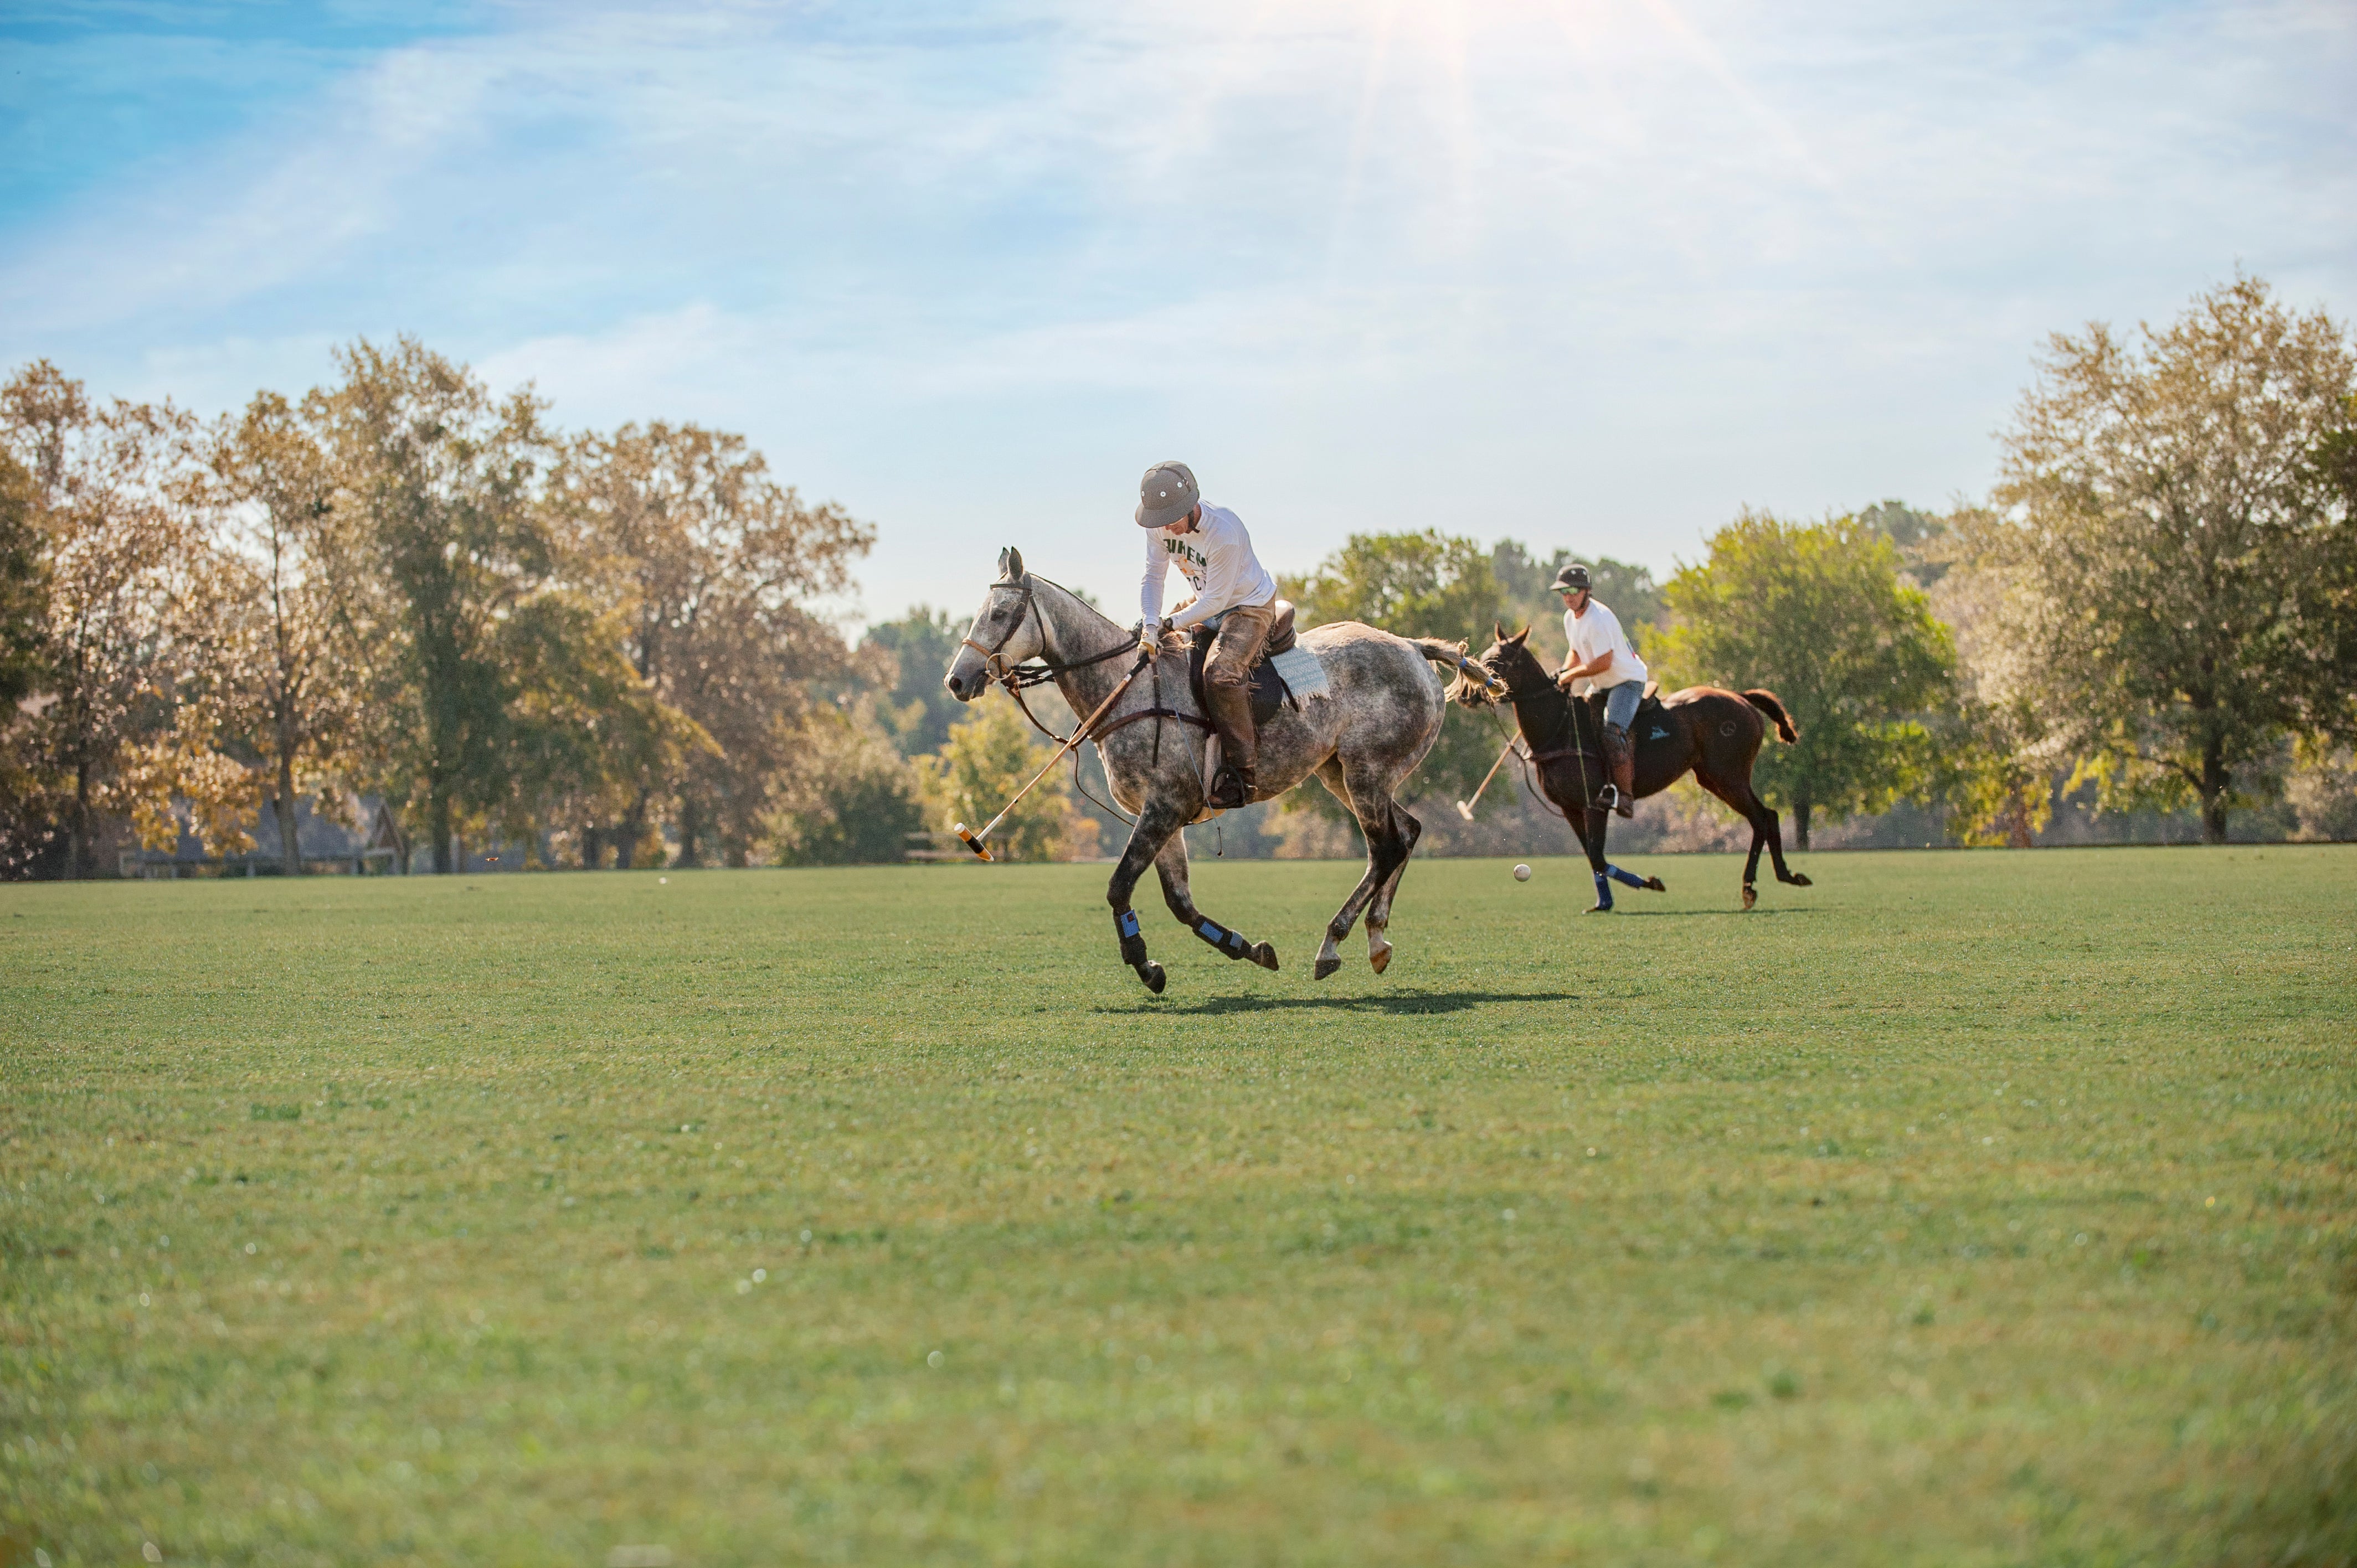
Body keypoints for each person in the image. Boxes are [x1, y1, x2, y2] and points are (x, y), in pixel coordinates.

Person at [1136, 460, 1279, 809]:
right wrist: (1150, 625)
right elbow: (1153, 577)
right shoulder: (1159, 526)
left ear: (1191, 505)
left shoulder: (1225, 531)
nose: (1168, 527)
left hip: (1248, 605)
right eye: (1161, 520)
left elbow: (1217, 601)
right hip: (1205, 601)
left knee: (1219, 677)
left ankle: (1243, 778)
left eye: (1174, 517)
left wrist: (1170, 624)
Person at [1552, 562, 1646, 817]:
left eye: (1573, 590)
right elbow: (1576, 652)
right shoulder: (1570, 618)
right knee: (1584, 729)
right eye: (1563, 592)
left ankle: (1626, 797)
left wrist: (1571, 675)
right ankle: (1601, 784)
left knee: (1612, 734)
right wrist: (1564, 672)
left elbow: (1603, 662)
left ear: (1586, 591)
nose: (1569, 596)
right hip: (1602, 684)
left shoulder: (1599, 619)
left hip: (1626, 681)